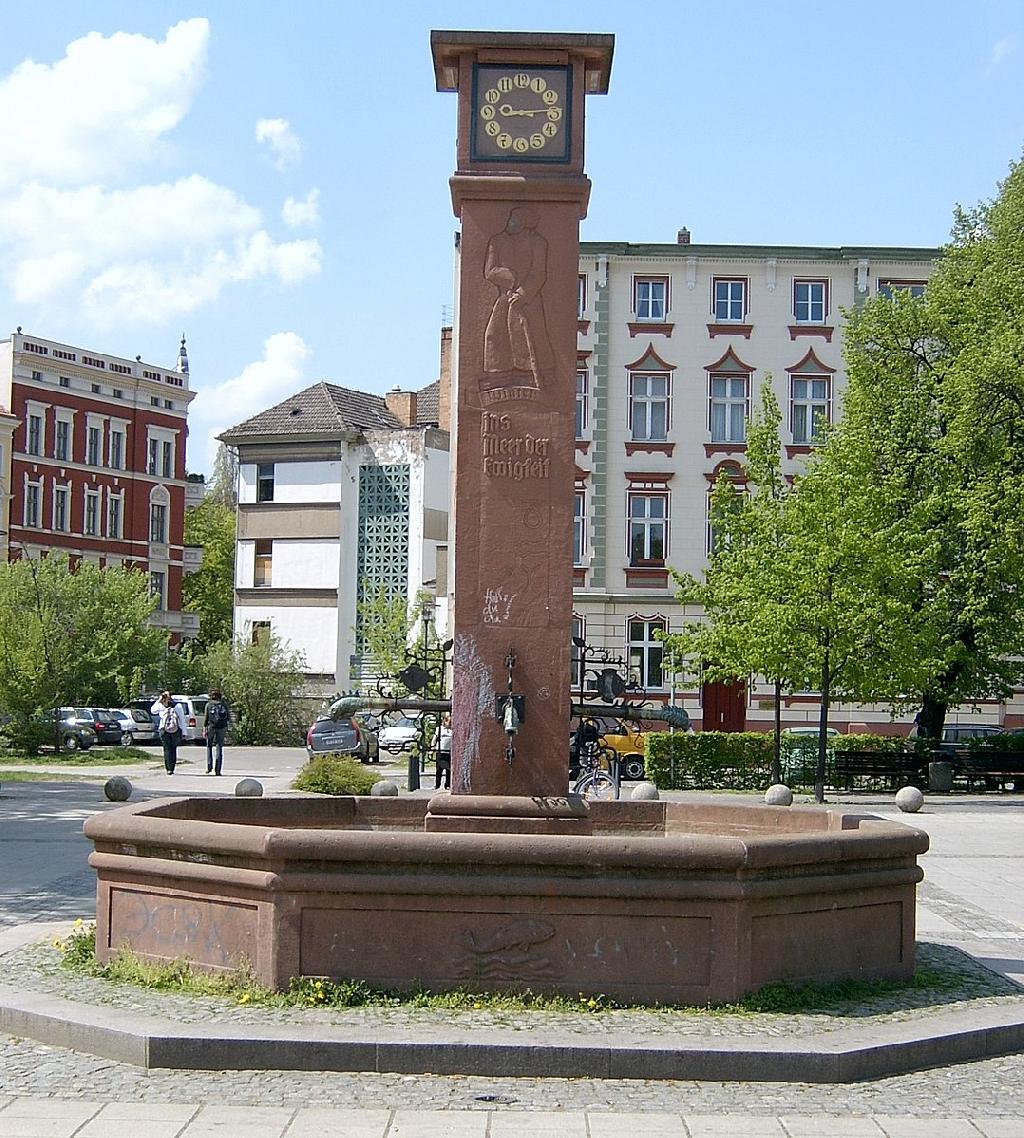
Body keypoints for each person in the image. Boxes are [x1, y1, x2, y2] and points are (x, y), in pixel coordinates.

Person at [151, 691, 187, 775]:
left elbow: (152, 710)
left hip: (163, 729)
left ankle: (168, 769)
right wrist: (184, 732)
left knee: (166, 748)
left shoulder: (161, 706)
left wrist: (160, 699)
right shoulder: (178, 706)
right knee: (173, 748)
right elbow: (182, 719)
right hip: (176, 730)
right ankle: (172, 768)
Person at [203, 689, 230, 775]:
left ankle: (209, 766)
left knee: (209, 746)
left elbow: (206, 718)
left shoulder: (208, 705)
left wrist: (204, 728)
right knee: (219, 747)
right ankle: (218, 770)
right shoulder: (223, 705)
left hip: (211, 726)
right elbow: (228, 717)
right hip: (222, 727)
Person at [435, 712, 452, 790]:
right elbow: (434, 739)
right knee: (439, 769)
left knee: (449, 770)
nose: (450, 723)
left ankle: (447, 785)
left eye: (451, 721)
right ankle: (437, 785)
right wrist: (432, 749)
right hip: (441, 751)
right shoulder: (440, 729)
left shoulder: (453, 730)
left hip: (449, 752)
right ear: (445, 721)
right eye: (448, 721)